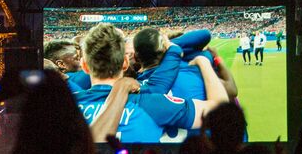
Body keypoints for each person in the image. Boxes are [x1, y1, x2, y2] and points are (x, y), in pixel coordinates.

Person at [76, 24, 230, 144]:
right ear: (125, 63)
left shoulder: (65, 106)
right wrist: (204, 62)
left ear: (84, 66)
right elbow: (219, 110)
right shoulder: (150, 101)